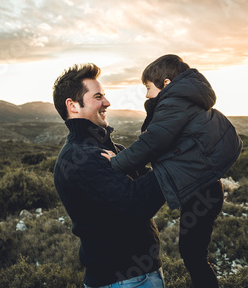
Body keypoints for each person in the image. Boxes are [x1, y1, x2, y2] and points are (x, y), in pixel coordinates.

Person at [101, 54, 243, 288]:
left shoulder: (174, 101)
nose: (146, 94)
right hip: (205, 189)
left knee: (193, 255)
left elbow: (154, 140)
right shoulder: (186, 100)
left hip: (202, 193)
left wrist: (117, 162)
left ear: (166, 84)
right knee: (193, 253)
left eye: (147, 87)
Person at [52, 63, 166, 288]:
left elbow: (147, 180)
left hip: (134, 278)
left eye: (104, 95)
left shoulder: (107, 149)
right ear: (73, 105)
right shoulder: (81, 158)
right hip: (125, 281)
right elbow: (136, 203)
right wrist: (178, 165)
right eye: (98, 97)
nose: (107, 102)